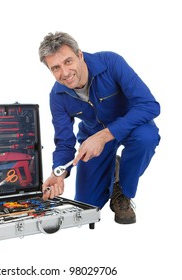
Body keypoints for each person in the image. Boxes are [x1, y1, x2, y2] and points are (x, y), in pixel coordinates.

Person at [38, 32, 160, 224]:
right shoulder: (57, 96)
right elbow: (64, 142)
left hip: (131, 127)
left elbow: (149, 105)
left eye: (68, 61)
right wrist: (58, 172)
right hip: (92, 138)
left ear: (80, 55)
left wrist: (104, 136)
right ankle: (114, 167)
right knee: (87, 207)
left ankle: (123, 190)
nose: (65, 72)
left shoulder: (111, 63)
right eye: (56, 68)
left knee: (147, 137)